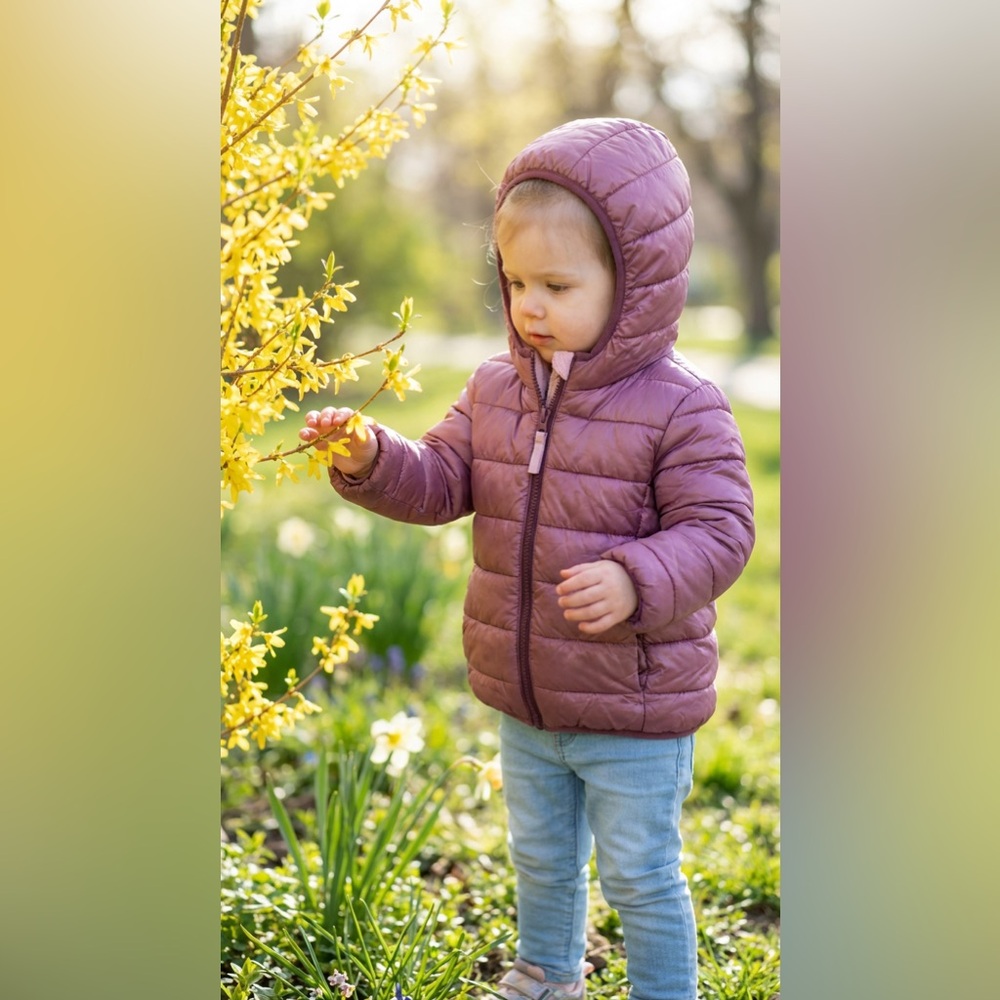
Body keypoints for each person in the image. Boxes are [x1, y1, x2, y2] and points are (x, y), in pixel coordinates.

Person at [300, 117, 755, 1000]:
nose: (530, 307)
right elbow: (437, 483)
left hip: (634, 701)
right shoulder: (494, 390)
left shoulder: (683, 407)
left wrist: (636, 578)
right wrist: (371, 457)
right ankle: (547, 974)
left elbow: (722, 530)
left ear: (636, 285)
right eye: (514, 283)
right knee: (540, 856)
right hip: (527, 694)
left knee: (639, 874)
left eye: (557, 283)